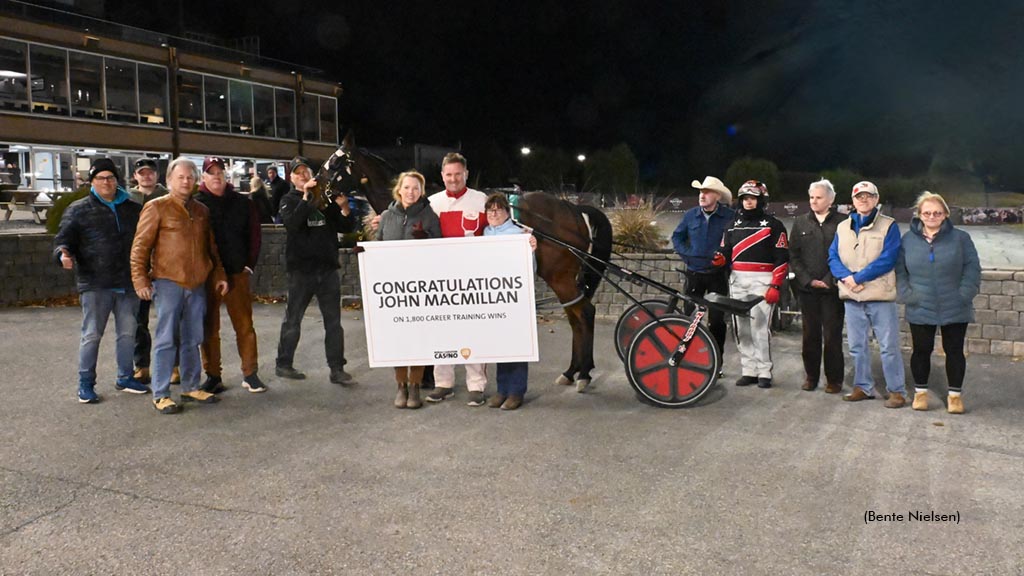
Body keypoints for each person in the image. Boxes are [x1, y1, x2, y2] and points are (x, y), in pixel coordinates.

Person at [131, 157, 228, 414]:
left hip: (197, 284)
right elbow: (140, 247)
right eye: (181, 177)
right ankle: (161, 393)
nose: (186, 181)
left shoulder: (201, 211)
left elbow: (211, 248)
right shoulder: (156, 207)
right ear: (169, 180)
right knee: (165, 339)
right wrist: (140, 279)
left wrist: (219, 274)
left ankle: (190, 385)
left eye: (190, 177)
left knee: (193, 337)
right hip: (168, 282)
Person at [53, 158, 147, 403]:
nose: (107, 182)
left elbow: (146, 240)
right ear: (92, 182)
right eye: (101, 178)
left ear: (117, 180)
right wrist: (62, 253)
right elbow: (64, 238)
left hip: (128, 283)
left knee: (128, 333)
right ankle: (85, 383)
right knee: (92, 334)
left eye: (111, 177)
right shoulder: (78, 209)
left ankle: (125, 376)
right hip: (95, 283)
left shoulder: (132, 208)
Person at [896, 192, 981, 414]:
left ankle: (954, 397)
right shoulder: (908, 240)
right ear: (919, 215)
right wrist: (908, 295)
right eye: (927, 212)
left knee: (954, 351)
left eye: (937, 212)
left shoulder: (961, 238)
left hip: (954, 304)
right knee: (921, 351)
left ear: (945, 215)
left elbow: (972, 268)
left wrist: (965, 294)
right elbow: (900, 271)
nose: (932, 216)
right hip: (920, 304)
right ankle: (921, 394)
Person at [275, 156, 357, 384]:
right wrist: (306, 198)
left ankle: (337, 369)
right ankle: (283, 363)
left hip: (328, 269)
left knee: (333, 322)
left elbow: (345, 228)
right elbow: (292, 224)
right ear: (291, 178)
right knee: (293, 319)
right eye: (297, 173)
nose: (303, 176)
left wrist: (344, 209)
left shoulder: (326, 199)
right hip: (301, 271)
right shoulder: (288, 200)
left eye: (306, 172)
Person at [827, 181, 907, 408]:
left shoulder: (888, 225)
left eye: (868, 196)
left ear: (876, 199)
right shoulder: (843, 227)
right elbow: (833, 256)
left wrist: (857, 278)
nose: (863, 200)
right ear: (852, 200)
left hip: (879, 295)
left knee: (888, 346)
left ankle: (897, 391)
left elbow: (888, 258)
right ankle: (863, 386)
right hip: (852, 295)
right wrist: (846, 277)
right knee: (856, 345)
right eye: (859, 196)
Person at [195, 157, 265, 394]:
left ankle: (250, 373)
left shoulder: (242, 203)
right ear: (203, 177)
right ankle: (213, 374)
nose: (216, 176)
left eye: (220, 172)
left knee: (244, 325)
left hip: (237, 272)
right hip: (208, 275)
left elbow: (254, 234)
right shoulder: (196, 204)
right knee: (209, 328)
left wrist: (249, 265)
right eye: (211, 172)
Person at [425, 152, 489, 406]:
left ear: (466, 174)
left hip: (472, 278)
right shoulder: (431, 202)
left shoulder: (481, 200)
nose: (453, 179)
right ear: (442, 176)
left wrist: (524, 236)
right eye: (448, 175)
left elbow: (498, 229)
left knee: (473, 329)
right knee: (442, 330)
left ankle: (476, 384)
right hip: (441, 279)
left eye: (457, 174)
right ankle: (443, 383)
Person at [374, 170, 441, 409]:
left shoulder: (430, 216)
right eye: (407, 187)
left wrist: (428, 239)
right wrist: (366, 254)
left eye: (416, 188)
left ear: (422, 192)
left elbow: (440, 248)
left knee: (418, 339)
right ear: (399, 189)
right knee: (398, 340)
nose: (411, 192)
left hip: (420, 288)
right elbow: (378, 246)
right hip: (394, 288)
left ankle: (415, 386)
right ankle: (400, 385)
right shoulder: (386, 216)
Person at [712, 180, 789, 389]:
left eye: (753, 198)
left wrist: (775, 285)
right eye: (745, 198)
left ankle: (764, 371)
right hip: (737, 280)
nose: (748, 202)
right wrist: (720, 259)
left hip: (763, 282)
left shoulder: (775, 225)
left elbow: (782, 258)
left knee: (760, 328)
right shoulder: (731, 225)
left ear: (761, 200)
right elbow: (725, 250)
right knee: (741, 328)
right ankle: (749, 370)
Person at [788, 179, 848, 394]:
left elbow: (847, 254)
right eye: (811, 197)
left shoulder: (844, 222)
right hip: (807, 290)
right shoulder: (801, 222)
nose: (814, 201)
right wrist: (807, 279)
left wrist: (829, 278)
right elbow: (793, 254)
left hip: (832, 290)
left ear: (830, 199)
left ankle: (834, 380)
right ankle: (811, 376)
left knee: (832, 336)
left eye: (819, 197)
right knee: (809, 335)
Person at [671, 176, 735, 368]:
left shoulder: (729, 216)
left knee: (717, 322)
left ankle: (717, 364)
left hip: (717, 276)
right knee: (688, 318)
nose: (702, 195)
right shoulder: (690, 215)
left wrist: (726, 259)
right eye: (701, 192)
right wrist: (688, 255)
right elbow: (677, 237)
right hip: (694, 275)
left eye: (707, 192)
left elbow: (735, 244)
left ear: (717, 196)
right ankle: (688, 360)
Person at [482, 192, 537, 410]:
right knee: (500, 345)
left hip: (514, 298)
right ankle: (501, 389)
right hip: (494, 299)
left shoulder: (518, 234)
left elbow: (530, 268)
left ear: (507, 212)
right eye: (490, 210)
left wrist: (531, 249)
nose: (494, 213)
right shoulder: (486, 233)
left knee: (517, 344)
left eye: (498, 209)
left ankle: (516, 391)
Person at [127, 158, 169, 384]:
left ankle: (174, 365)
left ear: (157, 175)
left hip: (165, 264)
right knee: (138, 321)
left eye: (150, 172)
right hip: (141, 265)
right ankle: (141, 365)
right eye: (142, 173)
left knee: (170, 319)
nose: (146, 176)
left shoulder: (168, 198)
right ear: (136, 176)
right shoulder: (127, 199)